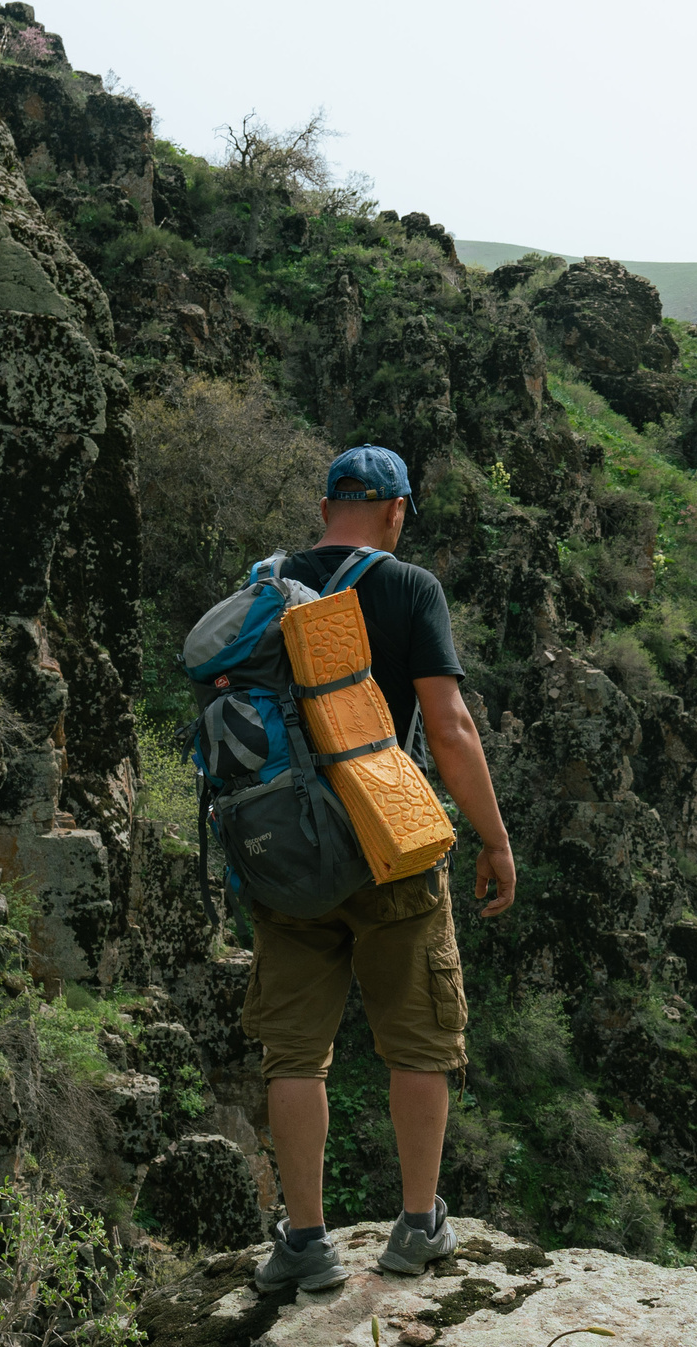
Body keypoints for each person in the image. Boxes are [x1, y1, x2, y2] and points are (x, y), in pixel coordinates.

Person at [248, 446, 520, 1292]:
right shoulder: (409, 589)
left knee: (294, 1048)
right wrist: (494, 839)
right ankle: (415, 1226)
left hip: (288, 845)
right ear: (396, 510)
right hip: (389, 840)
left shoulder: (266, 584)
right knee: (419, 1035)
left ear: (327, 504)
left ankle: (304, 1241)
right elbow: (448, 727)